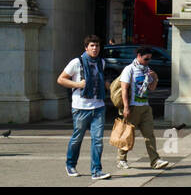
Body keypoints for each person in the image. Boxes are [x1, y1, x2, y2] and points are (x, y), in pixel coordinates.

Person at [57, 35, 111, 180]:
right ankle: (70, 164)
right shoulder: (76, 62)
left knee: (98, 140)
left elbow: (103, 80)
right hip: (80, 107)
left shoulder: (102, 62)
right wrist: (77, 85)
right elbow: (61, 79)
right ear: (86, 48)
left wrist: (110, 86)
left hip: (98, 106)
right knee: (77, 138)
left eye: (97, 46)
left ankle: (96, 171)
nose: (95, 48)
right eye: (92, 46)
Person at [116, 47, 172, 171]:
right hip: (133, 106)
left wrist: (155, 77)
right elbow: (124, 89)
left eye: (150, 59)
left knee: (149, 135)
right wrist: (126, 107)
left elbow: (151, 88)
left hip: (145, 107)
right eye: (146, 59)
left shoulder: (147, 70)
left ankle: (155, 160)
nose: (148, 61)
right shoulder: (129, 69)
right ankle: (121, 159)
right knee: (128, 135)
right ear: (139, 56)